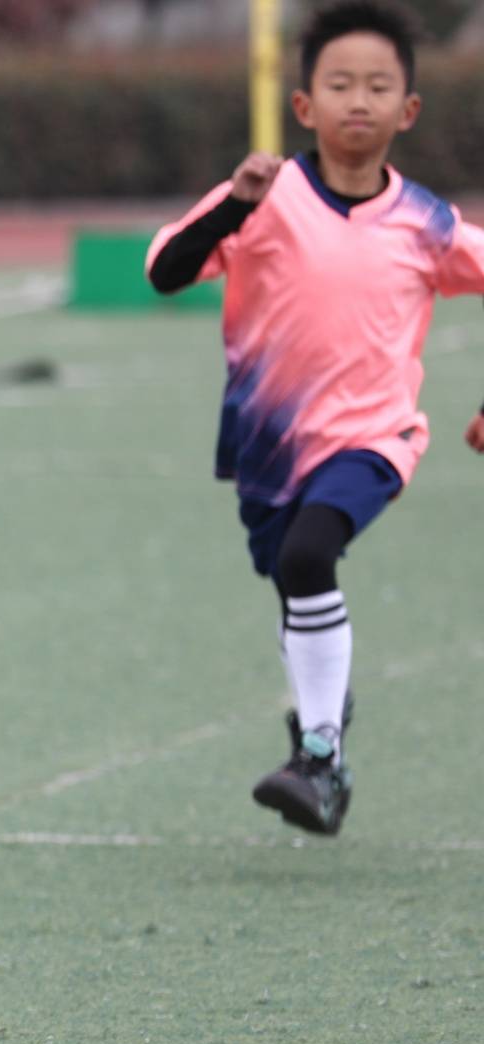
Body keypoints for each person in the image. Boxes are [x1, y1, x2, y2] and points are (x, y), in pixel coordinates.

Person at [146, 0, 484, 835]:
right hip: (269, 446)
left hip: (375, 440)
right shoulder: (263, 196)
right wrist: (233, 203)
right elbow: (164, 270)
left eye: (378, 86)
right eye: (339, 84)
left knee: (308, 557)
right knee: (292, 577)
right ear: (305, 106)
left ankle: (321, 760)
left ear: (408, 111)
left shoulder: (428, 224)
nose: (358, 101)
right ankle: (323, 710)